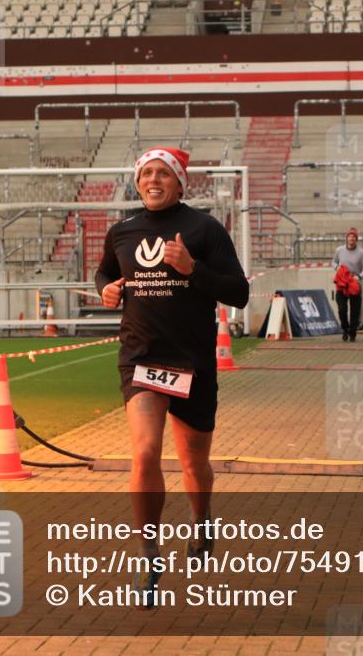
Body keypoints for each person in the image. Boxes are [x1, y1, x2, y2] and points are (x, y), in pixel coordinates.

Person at [95, 147, 248, 607]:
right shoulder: (122, 230)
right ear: (137, 181)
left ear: (181, 183)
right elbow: (106, 269)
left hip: (194, 362)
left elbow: (239, 293)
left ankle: (202, 520)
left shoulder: (205, 229)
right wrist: (106, 287)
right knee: (143, 453)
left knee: (193, 465)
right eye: (146, 173)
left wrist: (192, 269)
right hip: (142, 358)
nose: (154, 180)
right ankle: (148, 554)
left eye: (164, 173)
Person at [332, 227, 363, 342]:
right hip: (341, 283)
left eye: (354, 237)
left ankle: (353, 332)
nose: (351, 239)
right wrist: (336, 268)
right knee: (342, 308)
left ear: (356, 240)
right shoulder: (339, 250)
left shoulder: (361, 253)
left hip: (354, 283)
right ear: (347, 238)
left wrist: (359, 276)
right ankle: (345, 329)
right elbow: (334, 261)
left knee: (355, 310)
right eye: (350, 236)